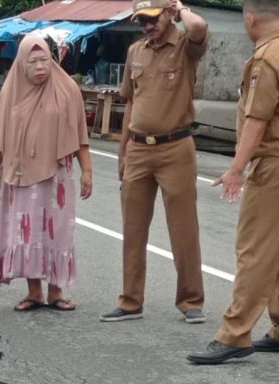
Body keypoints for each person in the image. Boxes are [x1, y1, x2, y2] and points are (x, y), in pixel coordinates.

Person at [187, 0, 279, 364]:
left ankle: (234, 333)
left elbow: (258, 118)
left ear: (250, 18)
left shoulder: (268, 57)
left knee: (255, 248)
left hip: (276, 161)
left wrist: (236, 168)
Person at [99, 0, 209, 324]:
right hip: (138, 149)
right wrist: (122, 152)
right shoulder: (136, 51)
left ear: (167, 14)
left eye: (152, 18)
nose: (146, 26)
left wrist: (181, 8)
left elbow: (199, 28)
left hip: (175, 148)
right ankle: (130, 300)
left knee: (183, 228)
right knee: (132, 228)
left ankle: (190, 300)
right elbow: (131, 103)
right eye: (141, 20)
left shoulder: (186, 46)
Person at [0, 35, 93, 311]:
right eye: (32, 62)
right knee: (26, 233)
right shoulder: (10, 92)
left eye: (44, 59)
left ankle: (56, 291)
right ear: (22, 63)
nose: (40, 66)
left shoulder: (67, 88)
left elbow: (80, 134)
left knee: (57, 232)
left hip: (57, 175)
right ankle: (34, 292)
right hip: (20, 175)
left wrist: (87, 170)